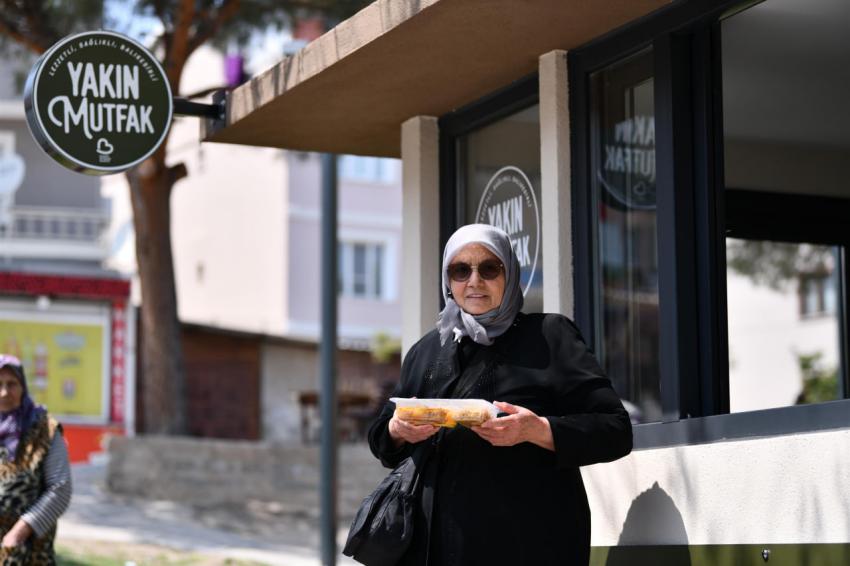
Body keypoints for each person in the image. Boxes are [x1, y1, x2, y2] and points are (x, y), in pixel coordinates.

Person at [367, 224, 633, 566]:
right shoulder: (428, 350)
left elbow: (615, 430)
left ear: (510, 273)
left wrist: (537, 430)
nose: (474, 281)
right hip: (432, 548)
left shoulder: (549, 337)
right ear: (448, 280)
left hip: (526, 544)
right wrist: (397, 431)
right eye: (460, 270)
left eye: (489, 268)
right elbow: (381, 436)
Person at [0, 354, 72, 563]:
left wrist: (19, 532)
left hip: (26, 551)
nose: (5, 392)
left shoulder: (44, 430)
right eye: (0, 384)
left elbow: (60, 488)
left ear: (23, 387)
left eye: (12, 384)